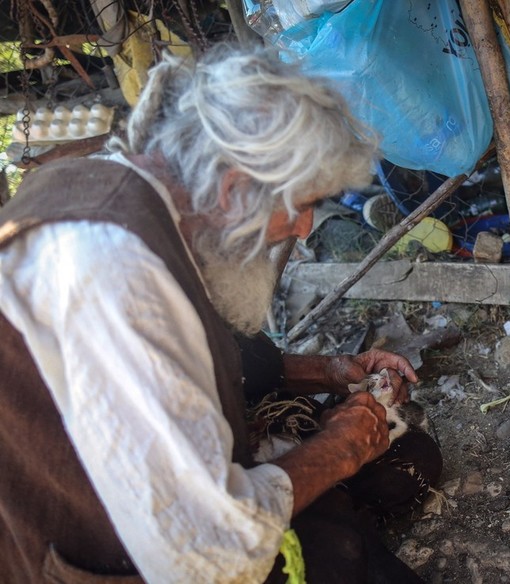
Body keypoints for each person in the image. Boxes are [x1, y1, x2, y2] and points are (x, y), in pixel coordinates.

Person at [0, 42, 441, 583]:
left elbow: (229, 359)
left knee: (406, 464)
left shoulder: (146, 204)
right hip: (101, 556)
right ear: (234, 189)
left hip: (179, 505)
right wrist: (339, 448)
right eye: (302, 204)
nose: (305, 230)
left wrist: (329, 372)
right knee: (343, 546)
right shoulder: (116, 271)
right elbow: (211, 550)